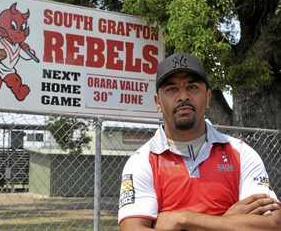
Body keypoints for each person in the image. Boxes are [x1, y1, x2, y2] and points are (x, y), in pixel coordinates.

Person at [118, 53, 281, 231]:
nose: (183, 97)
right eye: (172, 89)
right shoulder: (142, 161)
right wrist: (227, 221)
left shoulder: (241, 153)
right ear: (158, 102)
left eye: (192, 87)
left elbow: (273, 224)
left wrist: (183, 219)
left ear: (208, 97)